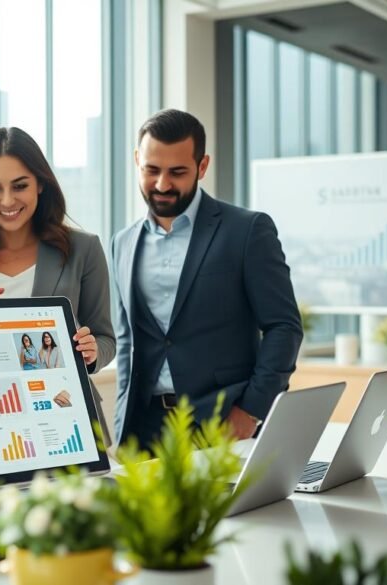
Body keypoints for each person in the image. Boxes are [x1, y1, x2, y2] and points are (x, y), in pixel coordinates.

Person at [111, 108, 303, 447]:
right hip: (143, 429)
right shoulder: (122, 242)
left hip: (221, 424)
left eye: (177, 172)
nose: (162, 184)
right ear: (136, 161)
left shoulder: (247, 231)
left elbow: (283, 327)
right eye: (151, 170)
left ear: (202, 166)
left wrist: (250, 412)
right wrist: (121, 423)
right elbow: (127, 340)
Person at [0, 127, 114, 443]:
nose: (7, 200)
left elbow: (105, 338)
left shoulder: (83, 249)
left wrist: (91, 353)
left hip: (67, 416)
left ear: (40, 184)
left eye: (19, 186)